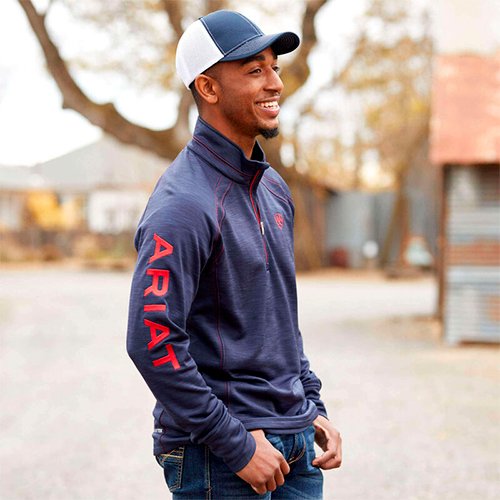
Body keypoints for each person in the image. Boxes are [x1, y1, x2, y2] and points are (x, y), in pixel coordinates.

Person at [126, 9, 342, 499]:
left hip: (294, 444)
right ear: (208, 88)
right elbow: (151, 339)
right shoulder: (183, 203)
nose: (275, 84)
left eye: (275, 68)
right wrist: (235, 444)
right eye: (254, 70)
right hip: (220, 458)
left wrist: (311, 404)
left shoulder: (273, 189)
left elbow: (278, 320)